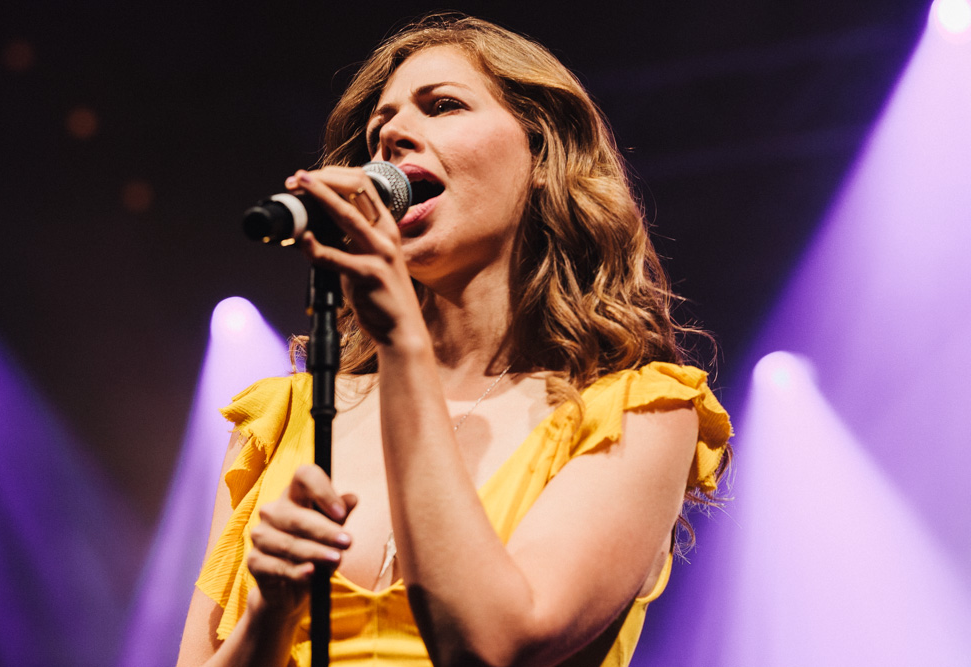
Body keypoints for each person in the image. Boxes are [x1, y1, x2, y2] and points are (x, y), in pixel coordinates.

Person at [178, 13, 732, 667]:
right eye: (378, 131)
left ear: (541, 153)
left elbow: (495, 644)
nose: (392, 135)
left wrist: (403, 347)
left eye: (442, 106)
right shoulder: (288, 416)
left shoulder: (638, 414)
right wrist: (269, 616)